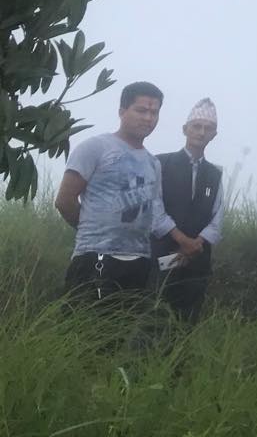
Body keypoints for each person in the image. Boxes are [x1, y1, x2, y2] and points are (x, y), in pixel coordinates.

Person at [54, 81, 203, 304]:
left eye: (154, 112)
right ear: (122, 111)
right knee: (83, 323)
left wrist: (182, 241)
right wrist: (93, 231)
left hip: (139, 263)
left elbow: (154, 213)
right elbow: (64, 200)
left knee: (125, 325)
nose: (148, 118)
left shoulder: (153, 163)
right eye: (141, 110)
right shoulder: (95, 147)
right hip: (96, 258)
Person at [152, 97, 224, 322]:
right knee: (155, 316)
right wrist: (182, 241)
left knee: (188, 321)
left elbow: (217, 217)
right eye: (196, 126)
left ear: (214, 134)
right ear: (185, 129)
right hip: (162, 254)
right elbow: (154, 208)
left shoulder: (215, 174)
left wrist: (195, 245)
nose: (202, 133)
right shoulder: (161, 163)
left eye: (208, 128)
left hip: (197, 261)